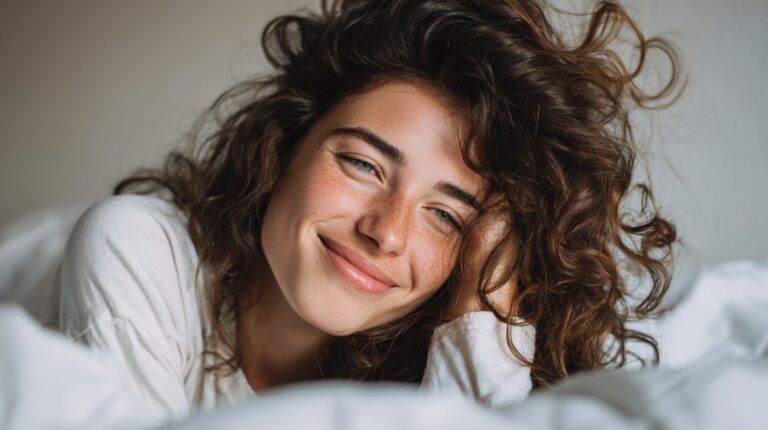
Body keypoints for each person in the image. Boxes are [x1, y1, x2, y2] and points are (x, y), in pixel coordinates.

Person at [55, 0, 682, 424]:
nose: (385, 232)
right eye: (364, 166)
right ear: (285, 143)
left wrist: (481, 315)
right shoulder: (135, 245)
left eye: (447, 216)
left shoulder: (424, 358)